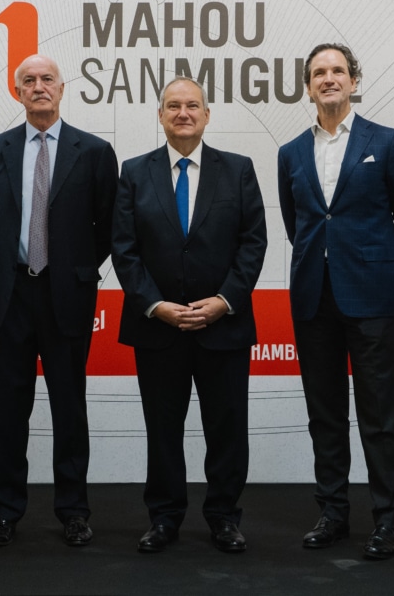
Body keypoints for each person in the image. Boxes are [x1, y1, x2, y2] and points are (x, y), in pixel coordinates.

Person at [277, 43, 394, 560]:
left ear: (354, 79)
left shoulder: (386, 142)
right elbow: (298, 225)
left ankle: (388, 519)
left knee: (379, 414)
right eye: (318, 72)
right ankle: (333, 513)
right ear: (308, 85)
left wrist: (374, 265)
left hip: (372, 300)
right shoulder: (290, 152)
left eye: (337, 70)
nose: (328, 78)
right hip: (314, 299)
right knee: (325, 414)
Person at [111, 77, 267, 554]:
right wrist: (156, 306)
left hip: (223, 324)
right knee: (163, 429)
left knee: (227, 428)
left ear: (206, 114)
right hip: (158, 327)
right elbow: (124, 249)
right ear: (160, 116)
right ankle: (164, 518)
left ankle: (223, 516)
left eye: (192, 105)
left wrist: (224, 301)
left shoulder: (238, 170)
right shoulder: (135, 172)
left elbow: (252, 243)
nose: (183, 113)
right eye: (173, 106)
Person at [0, 54, 118, 548]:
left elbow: (107, 228)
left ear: (62, 89)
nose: (38, 87)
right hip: (9, 294)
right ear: (18, 92)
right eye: (28, 81)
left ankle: (74, 511)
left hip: (66, 296)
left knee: (69, 409)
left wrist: (75, 269)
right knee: (7, 409)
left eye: (47, 80)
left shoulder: (95, 152)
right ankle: (4, 511)